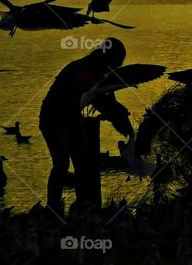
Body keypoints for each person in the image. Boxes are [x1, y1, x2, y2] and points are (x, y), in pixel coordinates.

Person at [40, 37, 133, 214]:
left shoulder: (100, 73)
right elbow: (94, 96)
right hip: (52, 118)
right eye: (118, 62)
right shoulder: (84, 69)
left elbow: (106, 100)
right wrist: (112, 112)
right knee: (61, 164)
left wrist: (116, 112)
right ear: (109, 58)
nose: (118, 67)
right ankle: (53, 208)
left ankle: (82, 206)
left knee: (83, 165)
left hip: (72, 118)